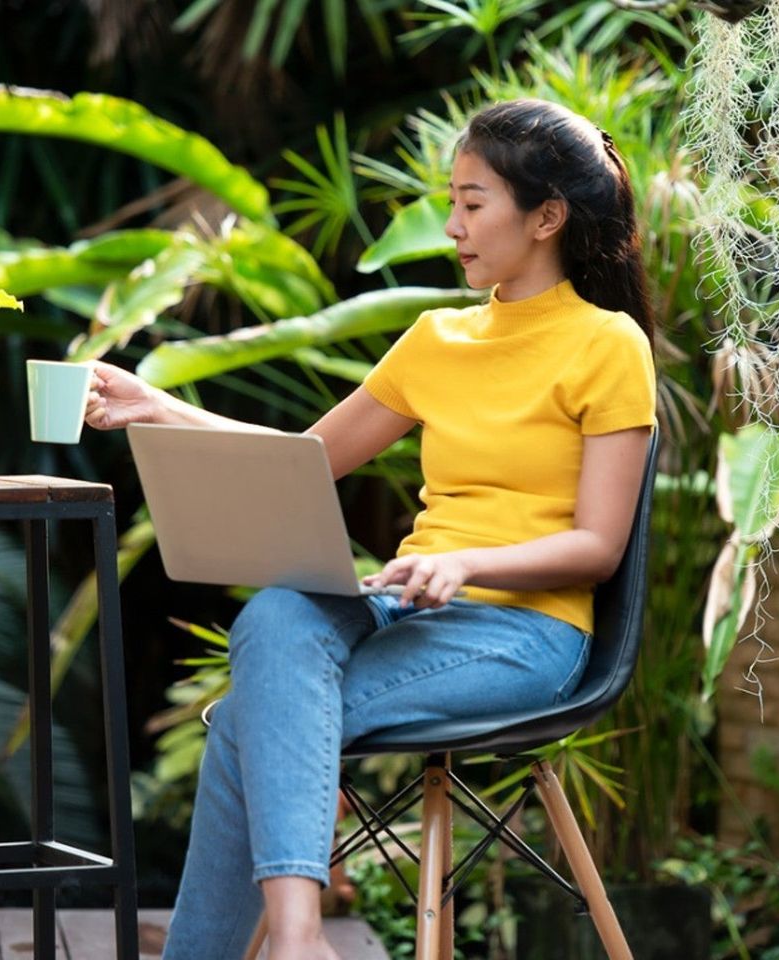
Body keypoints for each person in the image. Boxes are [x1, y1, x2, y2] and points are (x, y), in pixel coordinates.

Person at [85, 98, 656, 960]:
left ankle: (295, 939)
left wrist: (465, 563)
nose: (453, 227)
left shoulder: (607, 344)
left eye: (473, 204)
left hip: (526, 632)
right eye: (451, 203)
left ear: (547, 217)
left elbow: (598, 546)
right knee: (277, 612)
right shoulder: (438, 338)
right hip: (406, 607)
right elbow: (305, 458)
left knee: (253, 724)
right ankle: (301, 940)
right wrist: (154, 407)